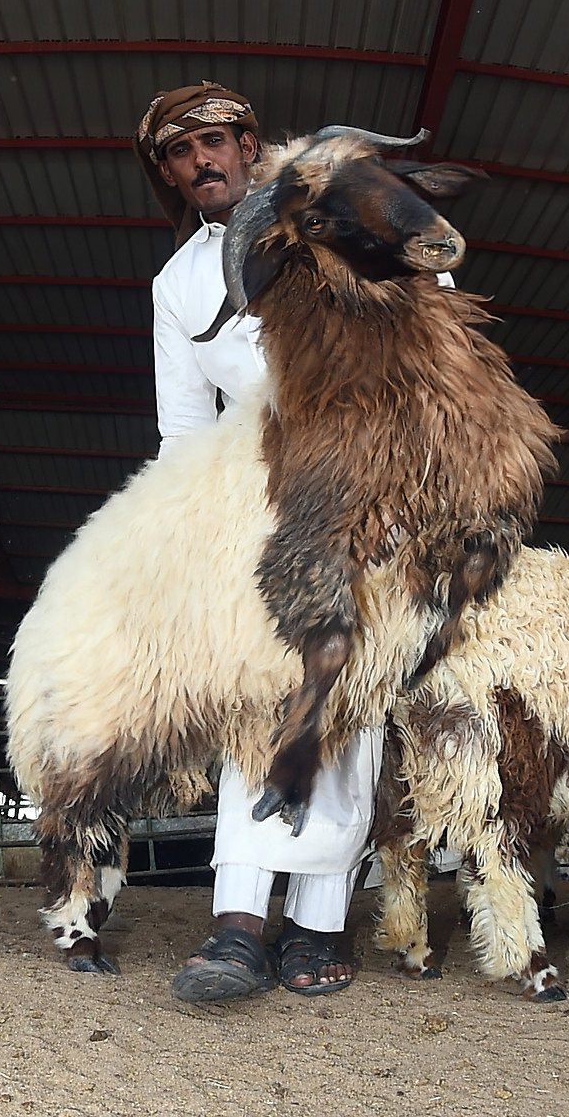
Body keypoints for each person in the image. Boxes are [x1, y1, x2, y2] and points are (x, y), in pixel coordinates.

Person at [134, 81, 384, 1002]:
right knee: (253, 700)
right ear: (167, 175)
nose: (198, 161)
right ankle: (237, 927)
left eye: (212, 141)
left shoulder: (328, 226)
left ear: (247, 144)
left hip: (359, 490)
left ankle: (317, 927)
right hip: (252, 506)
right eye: (176, 153)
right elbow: (180, 429)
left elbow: (416, 324)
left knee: (344, 709)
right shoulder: (175, 285)